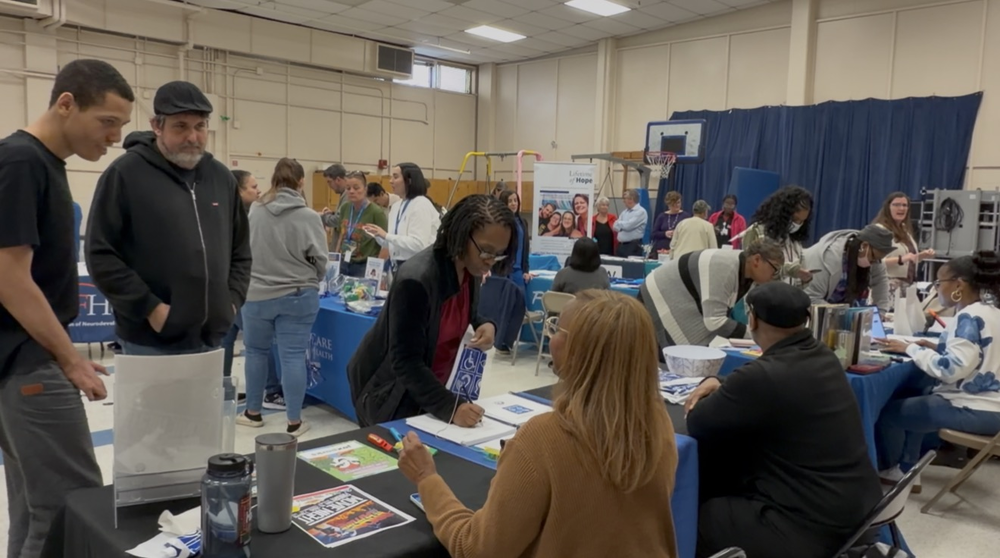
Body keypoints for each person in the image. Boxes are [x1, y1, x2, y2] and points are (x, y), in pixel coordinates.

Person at [397, 290, 679, 558]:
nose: (550, 336)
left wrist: (427, 479)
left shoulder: (543, 439)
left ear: (580, 351)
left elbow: (476, 549)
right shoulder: (658, 424)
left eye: (556, 329)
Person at [0, 59, 132, 558]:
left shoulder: (43, 164)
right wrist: (68, 358)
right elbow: (9, 278)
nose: (116, 136)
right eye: (107, 121)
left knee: (33, 508)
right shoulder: (21, 161)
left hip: (28, 360)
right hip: (28, 365)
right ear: (66, 104)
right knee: (68, 507)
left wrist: (63, 355)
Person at [686, 281, 881, 558]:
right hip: (858, 513)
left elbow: (698, 422)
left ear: (751, 319)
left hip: (807, 528)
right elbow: (772, 388)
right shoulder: (824, 357)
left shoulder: (761, 376)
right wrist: (719, 380)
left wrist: (712, 385)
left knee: (694, 513)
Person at [86, 81, 251, 356]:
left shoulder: (221, 178)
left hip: (212, 338)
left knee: (205, 402)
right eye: (181, 126)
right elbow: (101, 253)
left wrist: (231, 302)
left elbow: (241, 250)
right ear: (157, 125)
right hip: (149, 341)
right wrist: (150, 308)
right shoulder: (126, 174)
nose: (193, 136)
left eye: (200, 126)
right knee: (155, 402)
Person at [348, 195, 515, 427]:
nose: (491, 261)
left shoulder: (470, 268)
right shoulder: (416, 280)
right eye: (486, 252)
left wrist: (484, 323)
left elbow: (461, 311)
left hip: (432, 391)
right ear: (461, 235)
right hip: (391, 396)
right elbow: (406, 361)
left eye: (499, 254)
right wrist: (451, 407)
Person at [875, 251, 1000, 485]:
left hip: (974, 410)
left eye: (939, 283)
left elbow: (950, 370)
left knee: (887, 413)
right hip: (995, 410)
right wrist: (933, 345)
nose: (936, 289)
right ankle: (908, 469)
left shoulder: (968, 316)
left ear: (958, 285)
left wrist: (911, 350)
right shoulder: (993, 312)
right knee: (921, 396)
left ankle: (895, 471)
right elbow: (982, 354)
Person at [236, 158, 327, 438]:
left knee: (255, 352)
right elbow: (320, 260)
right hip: (298, 294)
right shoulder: (309, 216)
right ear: (301, 182)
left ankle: (252, 413)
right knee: (292, 356)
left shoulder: (255, 212)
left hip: (257, 295)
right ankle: (294, 421)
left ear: (273, 180)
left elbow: (244, 250)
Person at [640, 240, 784, 348]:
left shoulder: (744, 271)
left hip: (670, 294)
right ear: (757, 260)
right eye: (775, 269)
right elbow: (714, 322)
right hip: (656, 297)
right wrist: (760, 335)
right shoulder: (725, 267)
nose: (775, 275)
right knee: (673, 360)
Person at [221, 169, 284, 409]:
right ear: (238, 190)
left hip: (231, 289)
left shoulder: (235, 214)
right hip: (242, 290)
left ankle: (223, 391)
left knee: (227, 343)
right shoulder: (243, 218)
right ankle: (270, 390)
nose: (259, 191)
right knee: (259, 343)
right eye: (253, 187)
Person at [364, 163, 441, 273]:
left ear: (409, 180)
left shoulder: (421, 204)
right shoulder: (396, 206)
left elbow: (418, 244)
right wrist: (377, 235)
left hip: (419, 269)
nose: (390, 181)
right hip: (397, 266)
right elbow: (394, 243)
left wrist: (386, 235)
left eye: (395, 177)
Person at [802, 224, 893, 312]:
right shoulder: (828, 257)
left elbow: (881, 281)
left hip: (841, 310)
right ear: (864, 246)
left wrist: (880, 311)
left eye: (878, 260)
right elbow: (811, 298)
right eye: (873, 258)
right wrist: (842, 315)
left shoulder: (874, 256)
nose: (874, 263)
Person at [741, 186, 814, 286]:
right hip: (761, 297)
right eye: (795, 219)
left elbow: (799, 282)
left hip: (787, 299)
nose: (797, 224)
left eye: (801, 221)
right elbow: (751, 271)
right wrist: (789, 271)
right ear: (783, 213)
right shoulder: (757, 231)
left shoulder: (795, 241)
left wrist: (805, 279)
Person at [872, 192, 935, 294]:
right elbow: (873, 262)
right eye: (896, 205)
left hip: (908, 285)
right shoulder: (879, 230)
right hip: (887, 285)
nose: (901, 208)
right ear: (888, 207)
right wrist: (901, 259)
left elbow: (908, 260)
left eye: (905, 205)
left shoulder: (904, 229)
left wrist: (921, 256)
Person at [336, 171, 388, 277]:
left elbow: (386, 244)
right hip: (344, 262)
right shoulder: (345, 208)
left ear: (365, 189)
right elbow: (342, 234)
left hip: (364, 266)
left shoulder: (376, 212)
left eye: (356, 188)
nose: (351, 191)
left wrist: (377, 269)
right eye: (348, 188)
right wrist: (336, 257)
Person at [496, 191, 531, 292]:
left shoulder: (523, 223)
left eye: (515, 200)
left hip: (518, 271)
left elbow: (525, 248)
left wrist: (526, 270)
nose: (513, 203)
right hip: (502, 271)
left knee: (519, 302)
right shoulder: (499, 223)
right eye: (510, 201)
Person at [651, 191, 689, 256]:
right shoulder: (662, 216)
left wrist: (677, 233)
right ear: (668, 204)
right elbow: (654, 234)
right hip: (661, 250)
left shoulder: (686, 216)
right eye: (674, 204)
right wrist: (665, 234)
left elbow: (688, 233)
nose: (677, 205)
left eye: (678, 202)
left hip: (678, 249)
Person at [614, 189, 648, 258]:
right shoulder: (624, 212)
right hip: (621, 246)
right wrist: (622, 225)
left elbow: (628, 226)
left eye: (625, 198)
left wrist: (620, 224)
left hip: (633, 246)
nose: (623, 201)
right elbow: (615, 226)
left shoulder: (641, 212)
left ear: (631, 199)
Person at [320, 163, 348, 238]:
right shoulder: (343, 194)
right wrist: (333, 213)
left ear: (338, 180)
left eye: (329, 181)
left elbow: (338, 220)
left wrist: (321, 217)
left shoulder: (348, 195)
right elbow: (344, 214)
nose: (329, 185)